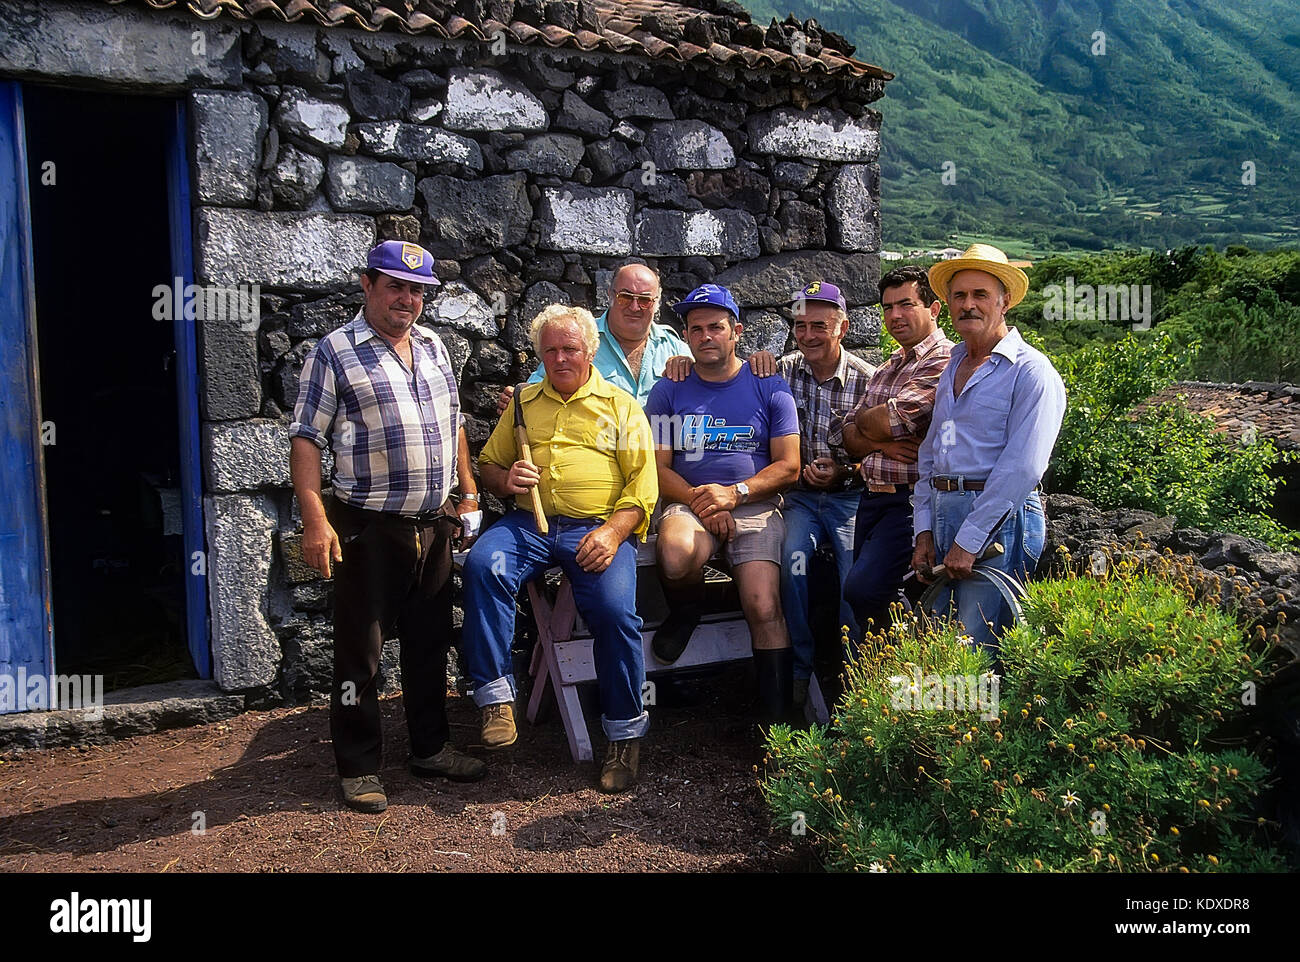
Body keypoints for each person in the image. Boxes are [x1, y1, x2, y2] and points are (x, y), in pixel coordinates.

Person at [290, 240, 486, 815]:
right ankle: (357, 767)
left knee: (429, 643)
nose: (407, 298)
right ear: (367, 285)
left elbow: (453, 427)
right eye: (395, 285)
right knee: (362, 651)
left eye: (417, 289)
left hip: (433, 524)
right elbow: (306, 437)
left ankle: (430, 748)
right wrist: (314, 519)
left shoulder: (432, 346)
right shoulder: (335, 352)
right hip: (367, 527)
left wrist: (467, 492)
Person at [462, 304, 658, 793]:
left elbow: (644, 483)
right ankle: (494, 700)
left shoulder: (619, 405)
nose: (560, 357)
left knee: (615, 612)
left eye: (569, 348)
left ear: (590, 350)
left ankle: (622, 734)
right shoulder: (524, 402)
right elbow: (488, 464)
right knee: (485, 564)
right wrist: (506, 481)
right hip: (530, 523)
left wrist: (614, 531)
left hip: (596, 528)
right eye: (549, 349)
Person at [644, 284, 801, 724]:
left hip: (753, 502)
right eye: (696, 329)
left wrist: (736, 495)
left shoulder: (768, 383)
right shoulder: (669, 389)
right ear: (686, 337)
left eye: (716, 327)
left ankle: (778, 729)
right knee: (675, 554)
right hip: (691, 501)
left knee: (763, 604)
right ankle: (687, 610)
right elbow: (657, 470)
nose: (706, 336)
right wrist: (708, 503)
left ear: (737, 332)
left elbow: (789, 466)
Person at [910, 244, 1066, 656]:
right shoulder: (953, 366)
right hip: (947, 512)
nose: (968, 305)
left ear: (1005, 302)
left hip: (999, 521)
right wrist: (924, 529)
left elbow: (1023, 467)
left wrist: (971, 539)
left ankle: (977, 720)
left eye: (981, 295)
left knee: (974, 650)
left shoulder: (1032, 372)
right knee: (943, 645)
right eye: (959, 296)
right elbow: (931, 454)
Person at [774, 281, 876, 707]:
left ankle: (857, 673)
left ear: (843, 328)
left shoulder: (868, 380)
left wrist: (845, 471)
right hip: (798, 498)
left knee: (854, 578)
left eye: (820, 325)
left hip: (850, 497)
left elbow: (887, 455)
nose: (809, 335)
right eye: (801, 326)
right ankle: (799, 667)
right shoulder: (781, 371)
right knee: (790, 567)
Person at [839, 266, 954, 640]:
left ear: (934, 309)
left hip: (909, 502)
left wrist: (869, 430)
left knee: (865, 590)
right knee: (878, 596)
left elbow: (888, 421)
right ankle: (890, 678)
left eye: (906, 304)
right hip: (871, 499)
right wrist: (877, 439)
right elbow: (846, 435)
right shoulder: (890, 365)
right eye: (887, 307)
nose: (895, 316)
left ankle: (905, 663)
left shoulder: (943, 360)